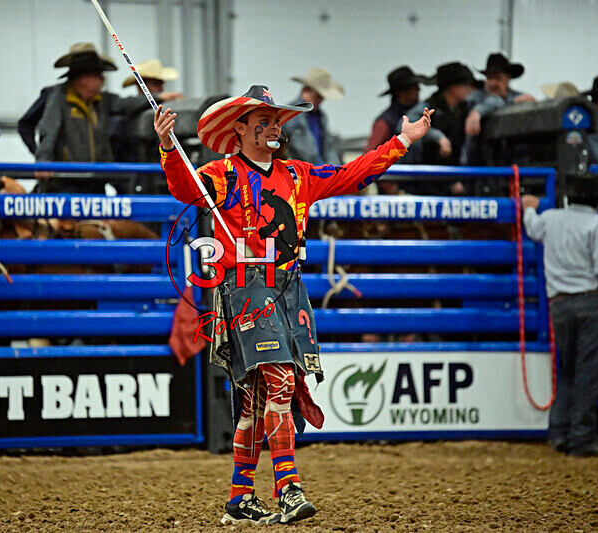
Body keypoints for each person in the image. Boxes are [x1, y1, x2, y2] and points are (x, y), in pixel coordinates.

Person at [154, 85, 433, 524]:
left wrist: (403, 140)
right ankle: (288, 487)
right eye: (261, 122)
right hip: (246, 287)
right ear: (240, 128)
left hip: (288, 287)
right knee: (280, 381)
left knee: (255, 398)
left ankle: (240, 495)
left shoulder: (298, 174)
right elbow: (184, 189)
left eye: (276, 122)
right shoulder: (220, 174)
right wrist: (169, 147)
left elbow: (352, 174)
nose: (272, 129)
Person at [522, 179, 598, 457]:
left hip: (559, 304)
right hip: (591, 301)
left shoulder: (551, 218)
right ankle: (582, 437)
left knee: (568, 369)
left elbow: (532, 228)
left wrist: (529, 208)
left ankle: (559, 432)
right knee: (589, 372)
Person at [34, 43, 153, 193]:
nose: (102, 80)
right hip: (67, 181)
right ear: (83, 78)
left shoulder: (102, 101)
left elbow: (126, 104)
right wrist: (43, 162)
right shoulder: (59, 99)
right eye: (97, 75)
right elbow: (48, 132)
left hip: (96, 180)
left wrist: (156, 98)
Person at [401, 62, 476, 194]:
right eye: (465, 85)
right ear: (453, 88)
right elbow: (407, 124)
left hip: (451, 178)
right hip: (425, 181)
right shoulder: (429, 107)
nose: (469, 89)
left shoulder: (465, 109)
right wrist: (438, 137)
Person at [282, 67, 344, 164]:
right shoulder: (289, 114)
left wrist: (334, 169)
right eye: (318, 96)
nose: (320, 100)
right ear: (306, 90)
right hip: (300, 172)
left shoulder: (321, 116)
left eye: (322, 97)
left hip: (320, 171)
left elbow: (328, 147)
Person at [365, 66, 432, 152]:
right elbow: (369, 154)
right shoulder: (384, 122)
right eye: (414, 87)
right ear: (402, 92)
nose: (419, 89)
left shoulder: (420, 114)